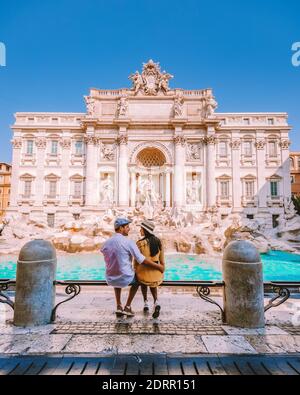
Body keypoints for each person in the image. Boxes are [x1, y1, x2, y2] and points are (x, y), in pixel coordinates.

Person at [101, 217, 164, 317]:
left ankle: (118, 306)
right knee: (138, 280)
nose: (129, 229)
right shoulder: (129, 242)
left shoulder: (106, 243)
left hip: (110, 278)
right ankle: (128, 306)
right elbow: (141, 259)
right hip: (126, 277)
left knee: (117, 275)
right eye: (127, 227)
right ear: (120, 228)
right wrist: (158, 266)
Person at [134, 220, 165, 319]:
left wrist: (135, 269)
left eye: (141, 229)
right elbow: (162, 261)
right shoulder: (158, 242)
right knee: (152, 281)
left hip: (143, 274)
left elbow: (136, 261)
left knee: (143, 278)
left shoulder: (139, 243)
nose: (140, 230)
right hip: (157, 274)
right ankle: (156, 301)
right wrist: (162, 268)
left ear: (145, 230)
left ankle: (146, 302)